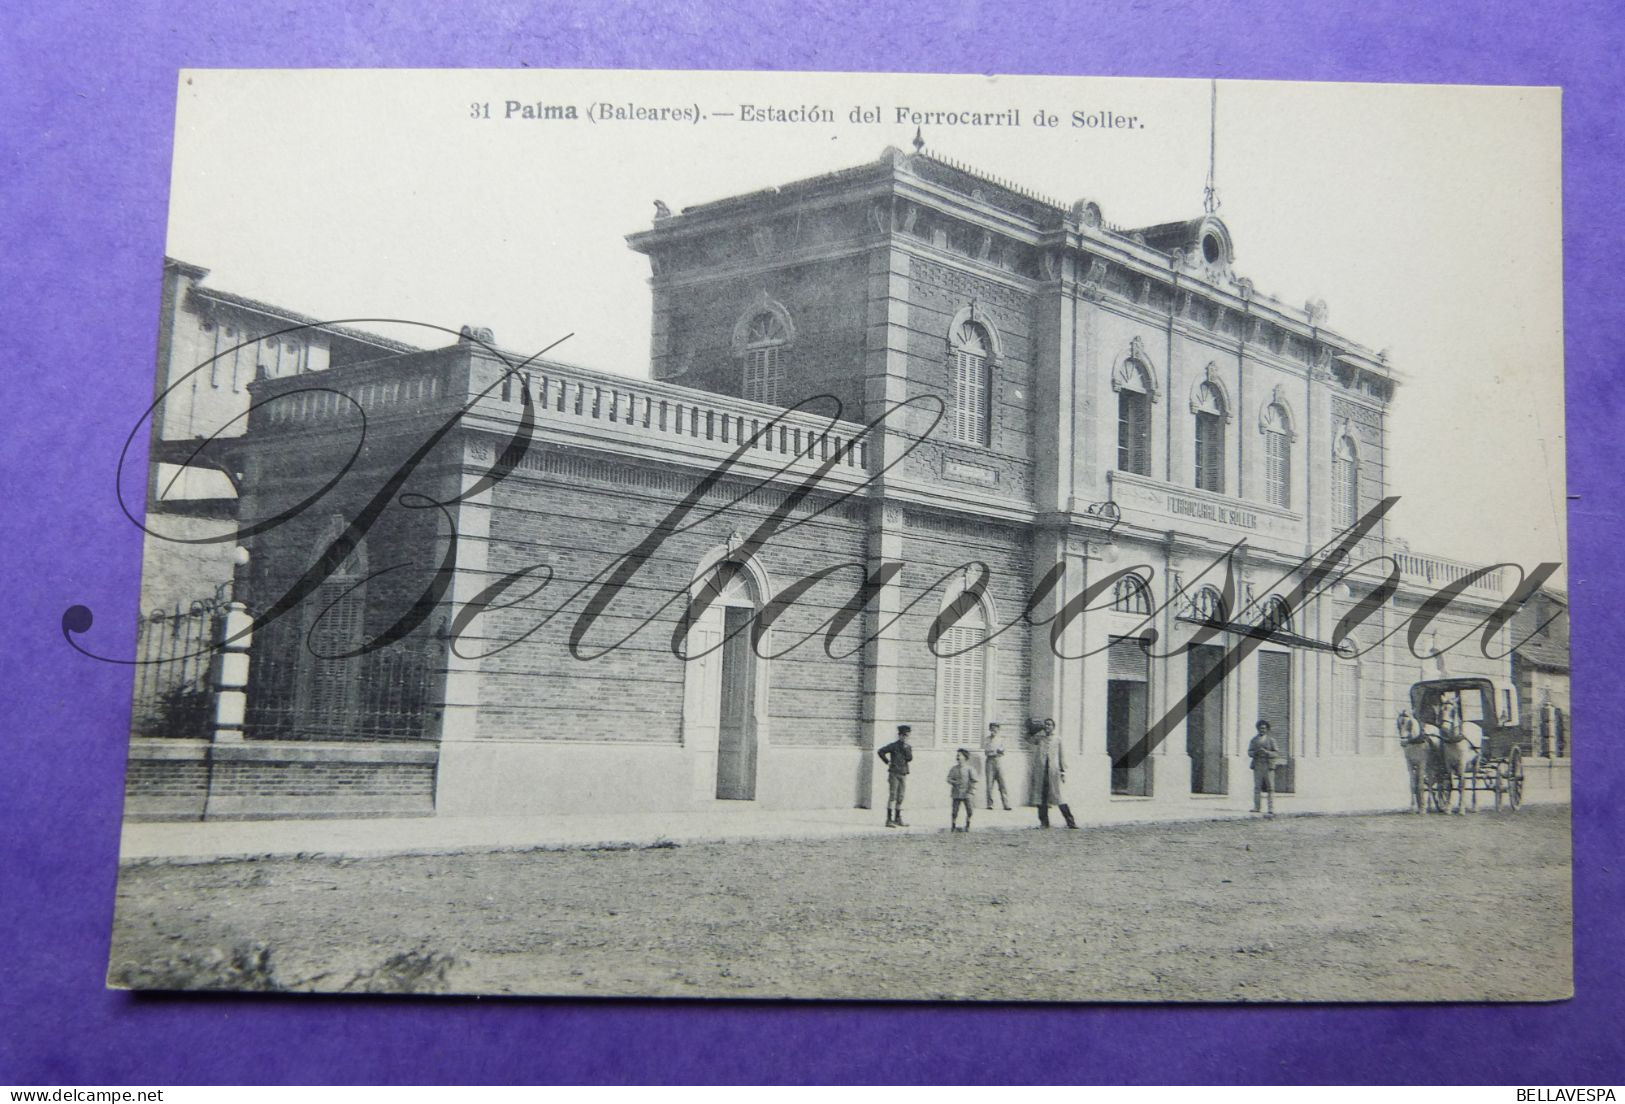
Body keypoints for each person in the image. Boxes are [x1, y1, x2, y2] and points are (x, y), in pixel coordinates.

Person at [1028, 717, 1078, 829]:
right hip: (1041, 772)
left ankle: (1070, 821)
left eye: (1049, 725)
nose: (1047, 726)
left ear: (1053, 727)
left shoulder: (1057, 739)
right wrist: (1037, 728)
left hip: (1053, 772)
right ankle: (1044, 823)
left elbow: (1061, 756)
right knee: (1041, 798)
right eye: (1045, 725)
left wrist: (1063, 771)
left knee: (1059, 796)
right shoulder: (1040, 738)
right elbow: (1028, 739)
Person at [877, 724, 914, 827]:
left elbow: (910, 758)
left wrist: (906, 748)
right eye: (905, 735)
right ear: (900, 735)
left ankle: (898, 818)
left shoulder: (908, 747)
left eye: (908, 736)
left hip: (903, 773)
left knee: (901, 796)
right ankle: (889, 820)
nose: (906, 738)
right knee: (893, 796)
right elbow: (881, 751)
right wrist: (887, 762)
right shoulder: (894, 746)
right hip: (894, 773)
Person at [1397, 708, 1430, 815]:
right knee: (1412, 779)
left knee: (1420, 779)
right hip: (1410, 747)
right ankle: (1413, 803)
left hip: (1420, 750)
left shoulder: (1415, 722)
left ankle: (1422, 806)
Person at [1247, 719, 1281, 817]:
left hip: (1268, 766)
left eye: (1264, 728)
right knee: (1257, 787)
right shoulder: (1254, 740)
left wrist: (1267, 752)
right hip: (1257, 765)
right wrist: (1255, 753)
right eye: (1260, 728)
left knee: (1270, 787)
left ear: (1267, 729)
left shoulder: (1271, 740)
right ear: (1257, 729)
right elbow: (1249, 752)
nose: (1262, 730)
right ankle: (1257, 807)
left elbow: (1276, 753)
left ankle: (1271, 808)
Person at [981, 722, 1012, 811]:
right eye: (992, 728)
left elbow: (1002, 751)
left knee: (1002, 783)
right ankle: (990, 804)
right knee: (989, 784)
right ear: (990, 729)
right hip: (989, 762)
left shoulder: (1001, 739)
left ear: (998, 729)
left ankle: (1006, 804)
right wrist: (995, 752)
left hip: (998, 761)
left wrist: (996, 752)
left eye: (996, 728)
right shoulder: (987, 739)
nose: (994, 730)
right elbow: (986, 752)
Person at [947, 748, 978, 832]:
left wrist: (971, 791)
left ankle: (968, 822)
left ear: (965, 757)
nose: (958, 757)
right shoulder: (954, 769)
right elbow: (948, 778)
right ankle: (953, 823)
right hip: (956, 793)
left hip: (967, 793)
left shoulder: (969, 769)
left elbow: (974, 780)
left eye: (959, 755)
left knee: (970, 810)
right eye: (957, 755)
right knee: (954, 811)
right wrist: (954, 782)